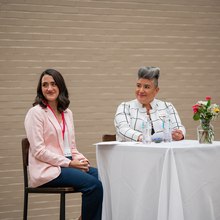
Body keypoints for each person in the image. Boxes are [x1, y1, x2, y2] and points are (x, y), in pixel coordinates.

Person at [24, 69, 103, 220]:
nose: (49, 88)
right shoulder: (36, 113)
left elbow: (71, 147)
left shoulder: (67, 113)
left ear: (60, 86)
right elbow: (39, 151)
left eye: (53, 84)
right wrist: (69, 163)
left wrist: (82, 160)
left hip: (66, 163)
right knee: (94, 185)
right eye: (44, 85)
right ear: (40, 89)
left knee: (104, 177)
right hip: (47, 168)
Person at [114, 66, 186, 142]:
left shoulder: (167, 106)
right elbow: (123, 130)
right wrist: (143, 138)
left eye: (147, 87)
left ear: (156, 90)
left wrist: (179, 134)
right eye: (138, 86)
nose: (141, 90)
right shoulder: (125, 107)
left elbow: (178, 127)